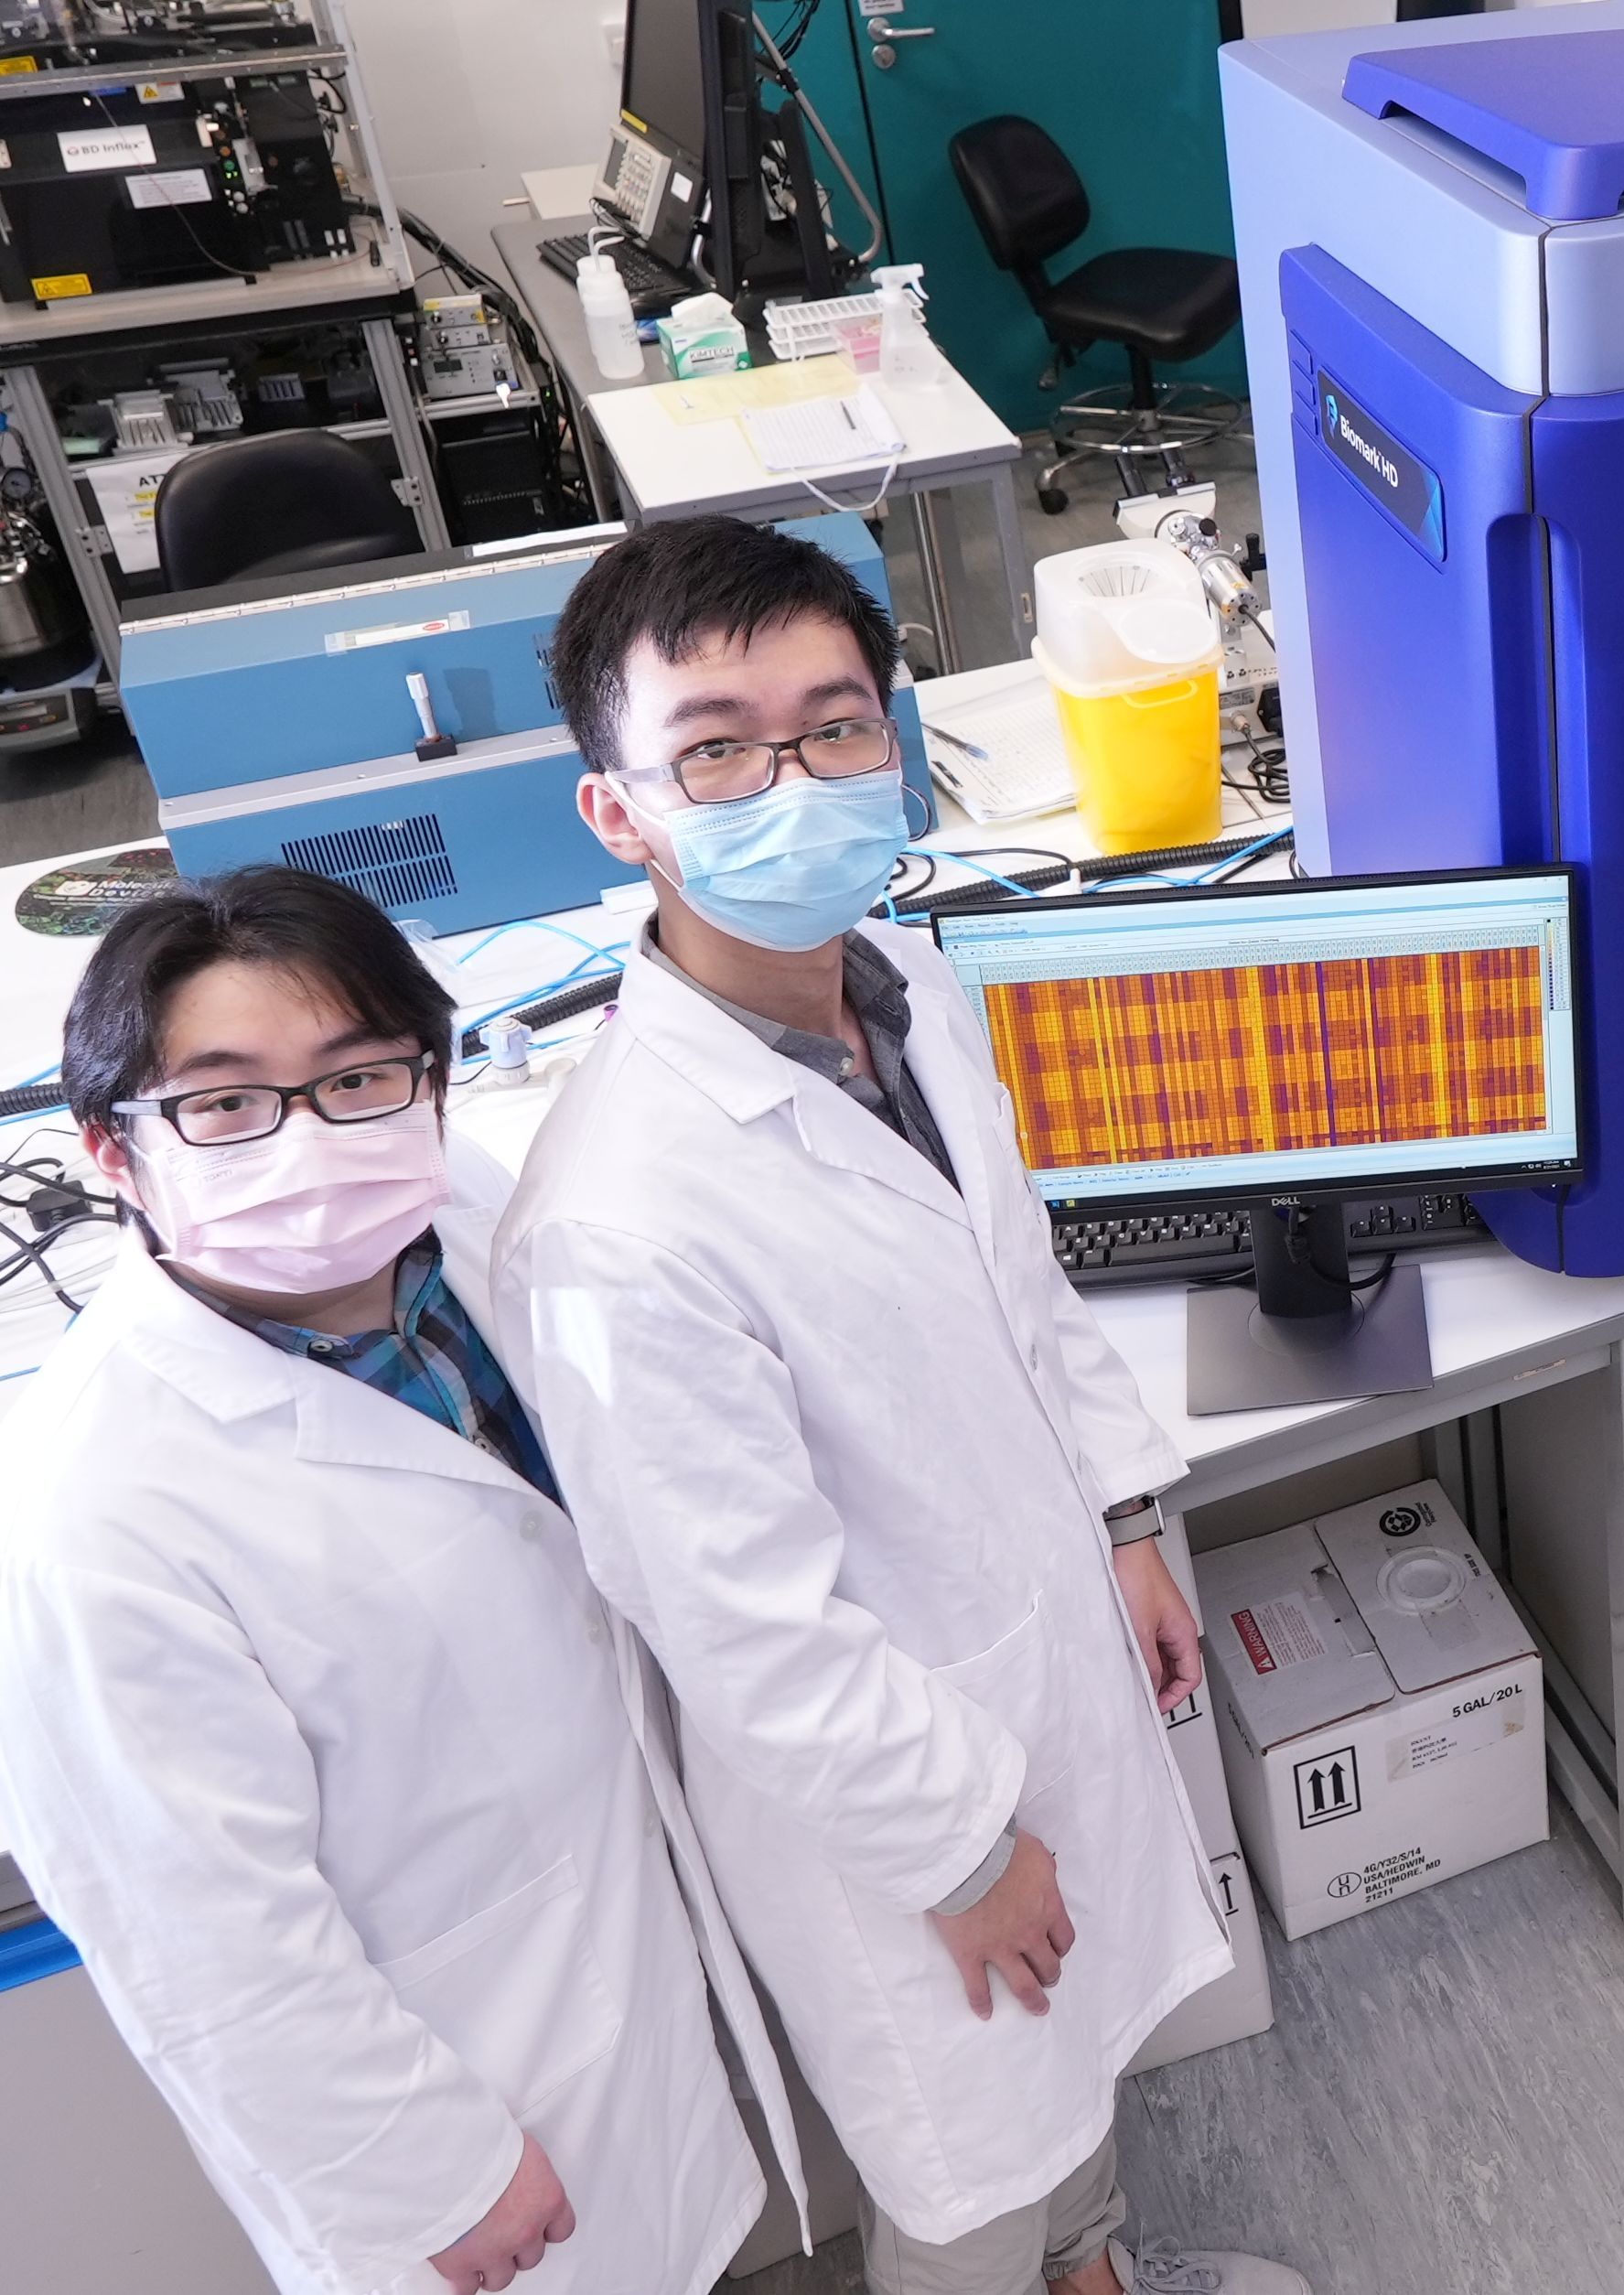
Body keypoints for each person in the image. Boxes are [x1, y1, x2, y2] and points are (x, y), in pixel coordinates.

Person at [492, 518, 1303, 2295]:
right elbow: (743, 1629)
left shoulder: (904, 988)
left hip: (1038, 1641)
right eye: (717, 748)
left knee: (1078, 2061)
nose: (792, 780)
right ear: (619, 811)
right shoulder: (618, 1221)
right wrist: (959, 1847)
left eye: (834, 724)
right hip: (893, 1807)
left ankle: (1097, 2274)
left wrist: (1124, 1521)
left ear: (895, 740)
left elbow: (1020, 1285)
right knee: (966, 2174)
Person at [0, 867, 767, 2294]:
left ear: (432, 1081)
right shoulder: (93, 1513)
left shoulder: (456, 1224)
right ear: (111, 1150)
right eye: (225, 1104)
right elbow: (200, 1939)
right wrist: (429, 2172)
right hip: (457, 2117)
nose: (309, 1140)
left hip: (615, 1955)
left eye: (357, 1078)